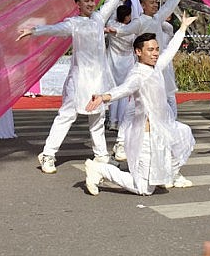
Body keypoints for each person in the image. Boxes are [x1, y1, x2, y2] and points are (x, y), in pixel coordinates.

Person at [16, 0, 130, 174]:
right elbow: (54, 29)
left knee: (98, 118)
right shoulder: (73, 23)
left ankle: (102, 155)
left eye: (92, 0)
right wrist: (34, 31)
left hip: (98, 79)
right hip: (78, 81)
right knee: (66, 116)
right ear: (78, 4)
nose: (91, 3)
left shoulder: (99, 19)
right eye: (86, 1)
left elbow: (111, 2)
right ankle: (48, 154)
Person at [83, 14, 197, 196]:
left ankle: (168, 176)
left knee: (184, 136)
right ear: (138, 52)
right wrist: (104, 97)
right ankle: (100, 169)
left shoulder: (156, 66)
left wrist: (182, 28)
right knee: (143, 189)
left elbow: (170, 51)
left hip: (163, 129)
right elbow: (124, 89)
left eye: (156, 49)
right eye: (150, 50)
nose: (155, 53)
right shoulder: (137, 74)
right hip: (146, 136)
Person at [110, 0, 184, 118]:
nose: (155, 5)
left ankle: (171, 122)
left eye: (156, 2)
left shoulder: (158, 17)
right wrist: (115, 30)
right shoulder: (139, 21)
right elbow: (126, 30)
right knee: (141, 97)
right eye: (151, 3)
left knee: (169, 95)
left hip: (161, 61)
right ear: (143, 5)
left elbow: (168, 7)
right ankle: (127, 128)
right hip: (146, 65)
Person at [106, 4, 136, 161]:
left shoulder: (112, 25)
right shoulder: (130, 31)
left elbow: (110, 16)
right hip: (126, 62)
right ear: (127, 16)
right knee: (124, 93)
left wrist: (120, 1)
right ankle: (120, 121)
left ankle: (112, 121)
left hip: (113, 60)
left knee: (113, 92)